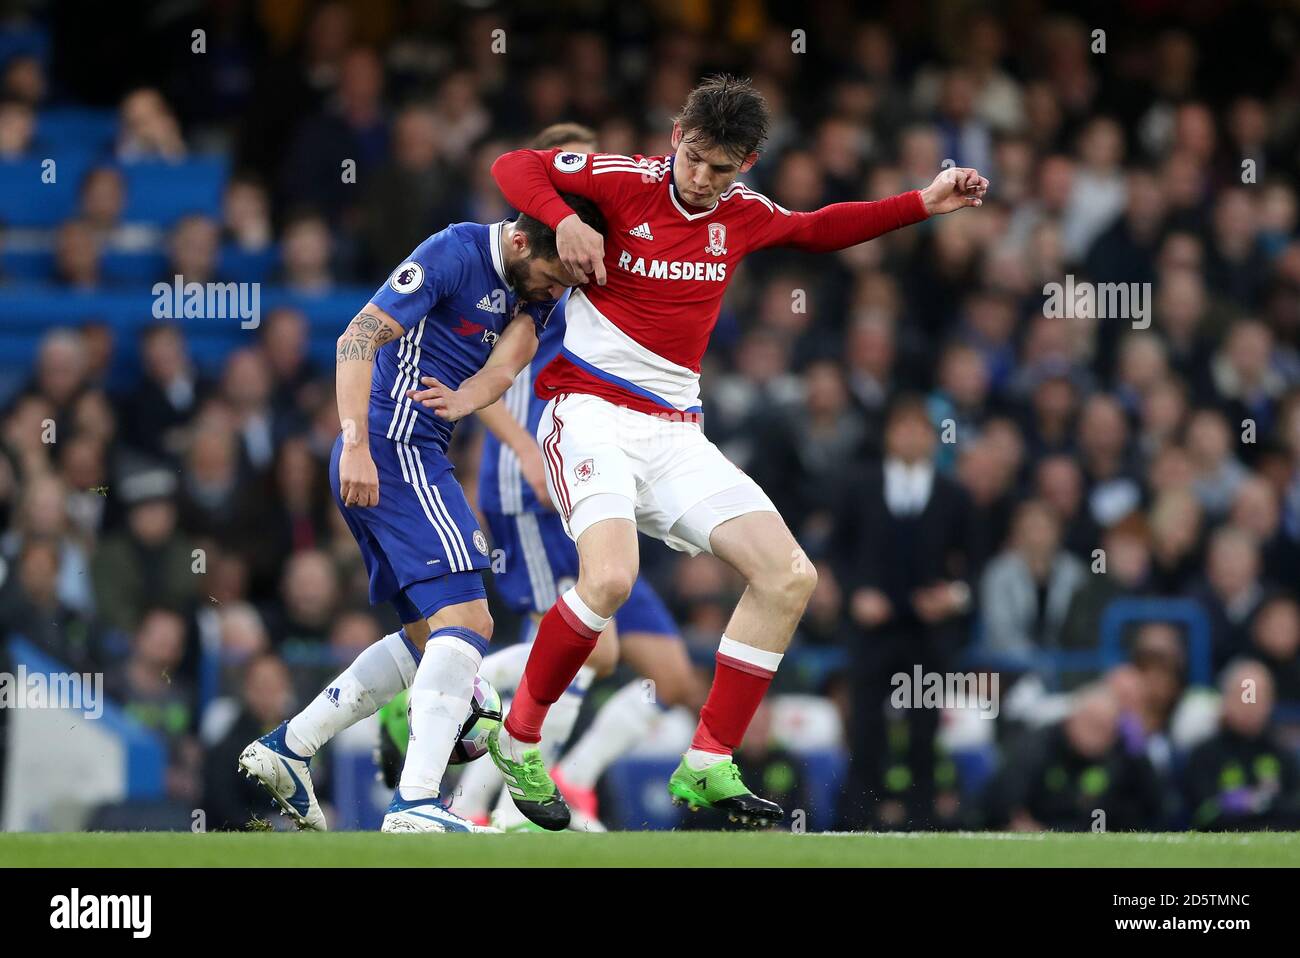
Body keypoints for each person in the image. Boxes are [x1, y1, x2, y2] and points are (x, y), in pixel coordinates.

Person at [423, 73, 987, 829]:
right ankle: (520, 737)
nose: (701, 178)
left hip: (675, 432)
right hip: (589, 413)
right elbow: (511, 167)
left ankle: (709, 761)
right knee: (612, 579)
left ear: (745, 164)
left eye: (721, 169)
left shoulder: (743, 215)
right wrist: (566, 219)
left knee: (789, 576)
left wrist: (924, 201)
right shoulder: (624, 182)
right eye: (693, 159)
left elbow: (820, 227)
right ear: (676, 141)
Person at [237, 198, 606, 834]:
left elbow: (509, 362)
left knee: (427, 637)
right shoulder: (452, 254)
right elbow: (356, 336)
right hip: (390, 448)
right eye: (552, 278)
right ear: (521, 245)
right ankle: (414, 803)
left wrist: (467, 396)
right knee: (468, 618)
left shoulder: (538, 284)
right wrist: (354, 441)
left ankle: (290, 748)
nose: (554, 293)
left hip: (408, 453)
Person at [458, 122, 704, 831]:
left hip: (594, 480)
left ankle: (568, 777)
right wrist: (527, 450)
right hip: (533, 483)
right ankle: (486, 796)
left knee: (668, 677)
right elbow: (494, 373)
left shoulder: (610, 256)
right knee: (592, 650)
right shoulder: (528, 260)